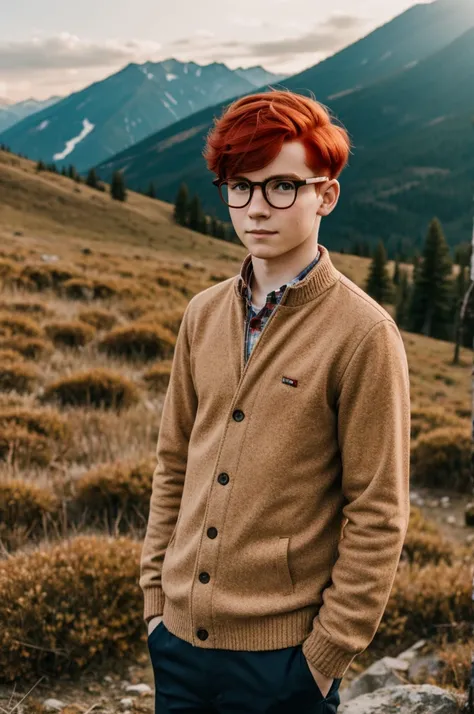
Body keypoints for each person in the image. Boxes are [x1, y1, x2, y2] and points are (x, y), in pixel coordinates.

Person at [139, 88, 411, 713]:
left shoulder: (364, 334)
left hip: (283, 665)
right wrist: (154, 599)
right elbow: (174, 462)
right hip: (176, 644)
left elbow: (378, 513)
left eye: (282, 186)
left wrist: (323, 658)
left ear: (326, 195)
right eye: (240, 185)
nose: (258, 207)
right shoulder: (202, 314)